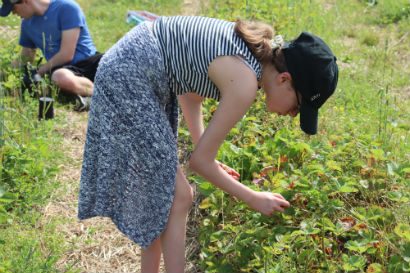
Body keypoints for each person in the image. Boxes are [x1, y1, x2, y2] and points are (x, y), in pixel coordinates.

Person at [77, 16, 339, 272]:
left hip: (136, 67)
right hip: (130, 76)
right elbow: (199, 163)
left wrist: (203, 147)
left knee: (162, 197)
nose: (293, 115)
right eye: (298, 106)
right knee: (179, 196)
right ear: (285, 79)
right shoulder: (245, 81)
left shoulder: (251, 58)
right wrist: (253, 198)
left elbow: (190, 93)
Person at [0, 0, 102, 111]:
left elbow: (67, 54)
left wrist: (39, 72)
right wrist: (5, 73)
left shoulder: (66, 8)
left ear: (25, 1)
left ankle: (99, 96)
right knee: (60, 77)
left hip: (90, 62)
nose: (13, 14)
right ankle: (95, 96)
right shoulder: (26, 24)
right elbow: (26, 58)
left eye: (13, 9)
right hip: (63, 70)